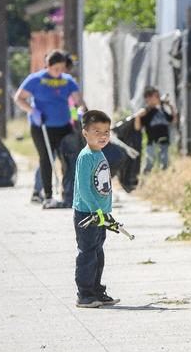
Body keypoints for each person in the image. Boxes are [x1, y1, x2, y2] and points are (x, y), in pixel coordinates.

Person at [13, 50, 85, 209]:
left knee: (69, 158)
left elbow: (78, 100)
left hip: (64, 126)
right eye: (56, 68)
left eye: (61, 68)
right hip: (42, 126)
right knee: (46, 159)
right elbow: (19, 97)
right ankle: (48, 195)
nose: (59, 72)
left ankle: (68, 193)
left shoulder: (67, 80)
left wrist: (81, 110)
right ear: (48, 66)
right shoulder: (36, 79)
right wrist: (33, 111)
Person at [73, 109, 118, 308]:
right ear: (85, 133)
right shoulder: (86, 156)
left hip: (99, 214)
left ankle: (97, 290)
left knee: (98, 253)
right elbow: (83, 188)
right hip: (87, 214)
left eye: (106, 132)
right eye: (97, 131)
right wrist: (95, 210)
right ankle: (84, 294)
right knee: (88, 253)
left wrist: (105, 212)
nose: (103, 136)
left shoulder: (99, 153)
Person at [135, 86, 176, 173]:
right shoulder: (146, 112)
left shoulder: (161, 109)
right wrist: (138, 117)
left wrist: (171, 106)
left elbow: (173, 120)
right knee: (149, 164)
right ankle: (145, 181)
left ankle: (162, 180)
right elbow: (138, 127)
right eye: (155, 96)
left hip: (164, 142)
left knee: (164, 164)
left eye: (158, 96)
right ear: (148, 98)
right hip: (152, 142)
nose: (158, 98)